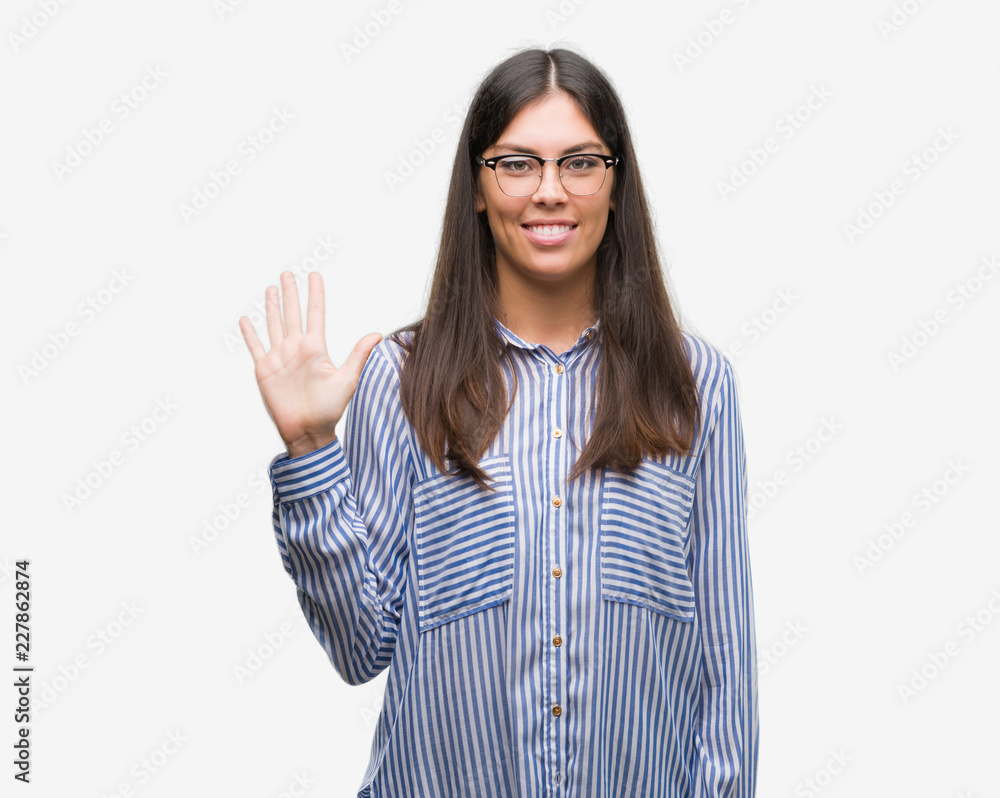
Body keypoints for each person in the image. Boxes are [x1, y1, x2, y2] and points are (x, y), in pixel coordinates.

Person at [239, 45, 758, 798]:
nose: (549, 190)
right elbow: (360, 646)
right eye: (517, 163)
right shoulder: (402, 379)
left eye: (579, 162)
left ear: (616, 186)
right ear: (478, 188)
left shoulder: (694, 384)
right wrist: (310, 448)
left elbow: (724, 658)